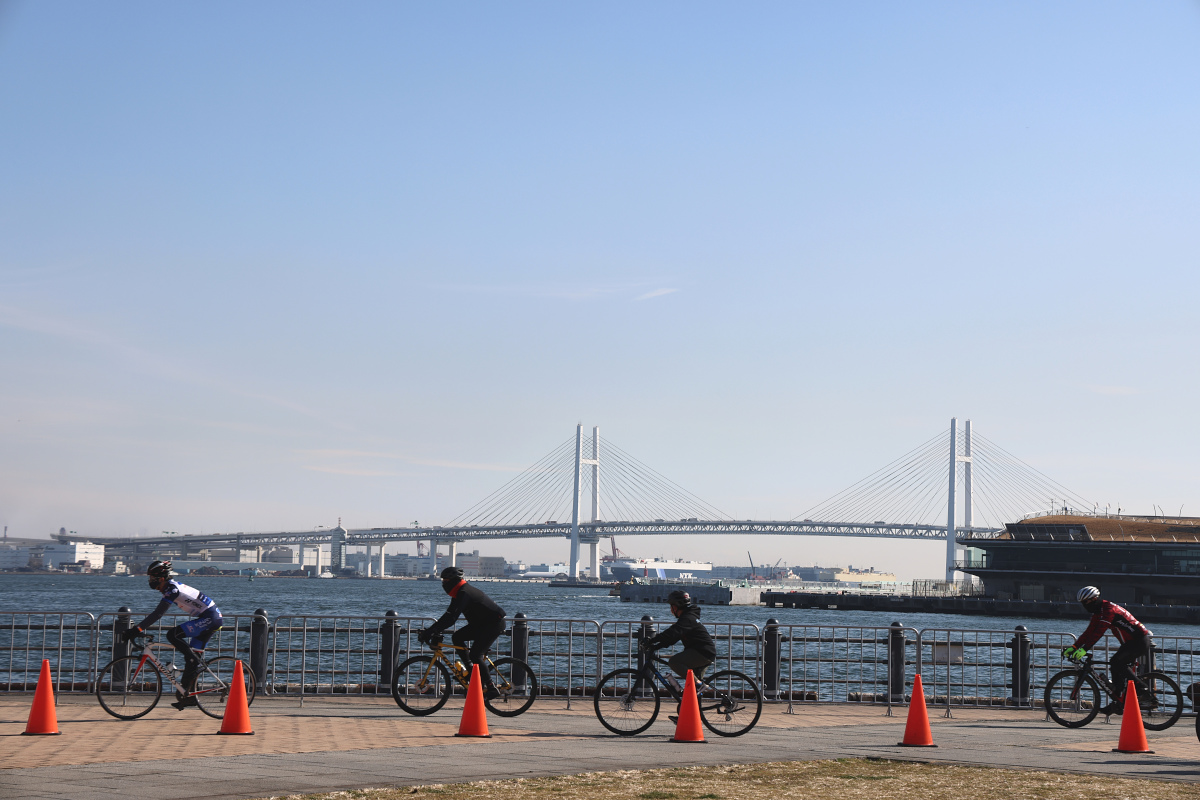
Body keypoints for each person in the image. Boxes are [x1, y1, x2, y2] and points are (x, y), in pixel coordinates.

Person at [122, 560, 224, 710]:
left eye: (152, 578)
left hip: (210, 619)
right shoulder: (170, 588)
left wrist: (136, 629)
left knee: (172, 635)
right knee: (192, 661)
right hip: (210, 618)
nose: (149, 581)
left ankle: (191, 662)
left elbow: (158, 614)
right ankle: (188, 696)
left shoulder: (172, 590)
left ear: (161, 578)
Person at [1062, 585, 1154, 714]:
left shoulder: (1109, 610)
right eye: (1082, 603)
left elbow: (1098, 633)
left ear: (1094, 599)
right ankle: (1118, 702)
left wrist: (1084, 649)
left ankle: (1142, 690)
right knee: (1115, 666)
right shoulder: (1098, 611)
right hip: (1130, 642)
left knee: (1117, 662)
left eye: (1085, 602)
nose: (1084, 605)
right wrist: (1075, 647)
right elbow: (1089, 632)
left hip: (1139, 640)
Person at [418, 566, 507, 696]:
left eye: (446, 580)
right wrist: (432, 630)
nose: (443, 583)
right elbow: (448, 615)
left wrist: (431, 631)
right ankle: (471, 672)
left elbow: (452, 618)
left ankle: (491, 686)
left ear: (454, 580)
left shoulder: (465, 593)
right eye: (442, 580)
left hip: (494, 624)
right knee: (457, 637)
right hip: (482, 624)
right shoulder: (459, 592)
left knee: (475, 655)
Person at [642, 590, 717, 722]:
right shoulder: (687, 618)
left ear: (675, 607)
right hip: (702, 652)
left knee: (674, 662)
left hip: (703, 653)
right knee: (690, 689)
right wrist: (655, 646)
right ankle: (687, 719)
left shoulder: (687, 619)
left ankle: (699, 684)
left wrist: (653, 640)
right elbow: (672, 638)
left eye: (671, 607)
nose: (670, 610)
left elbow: (673, 632)